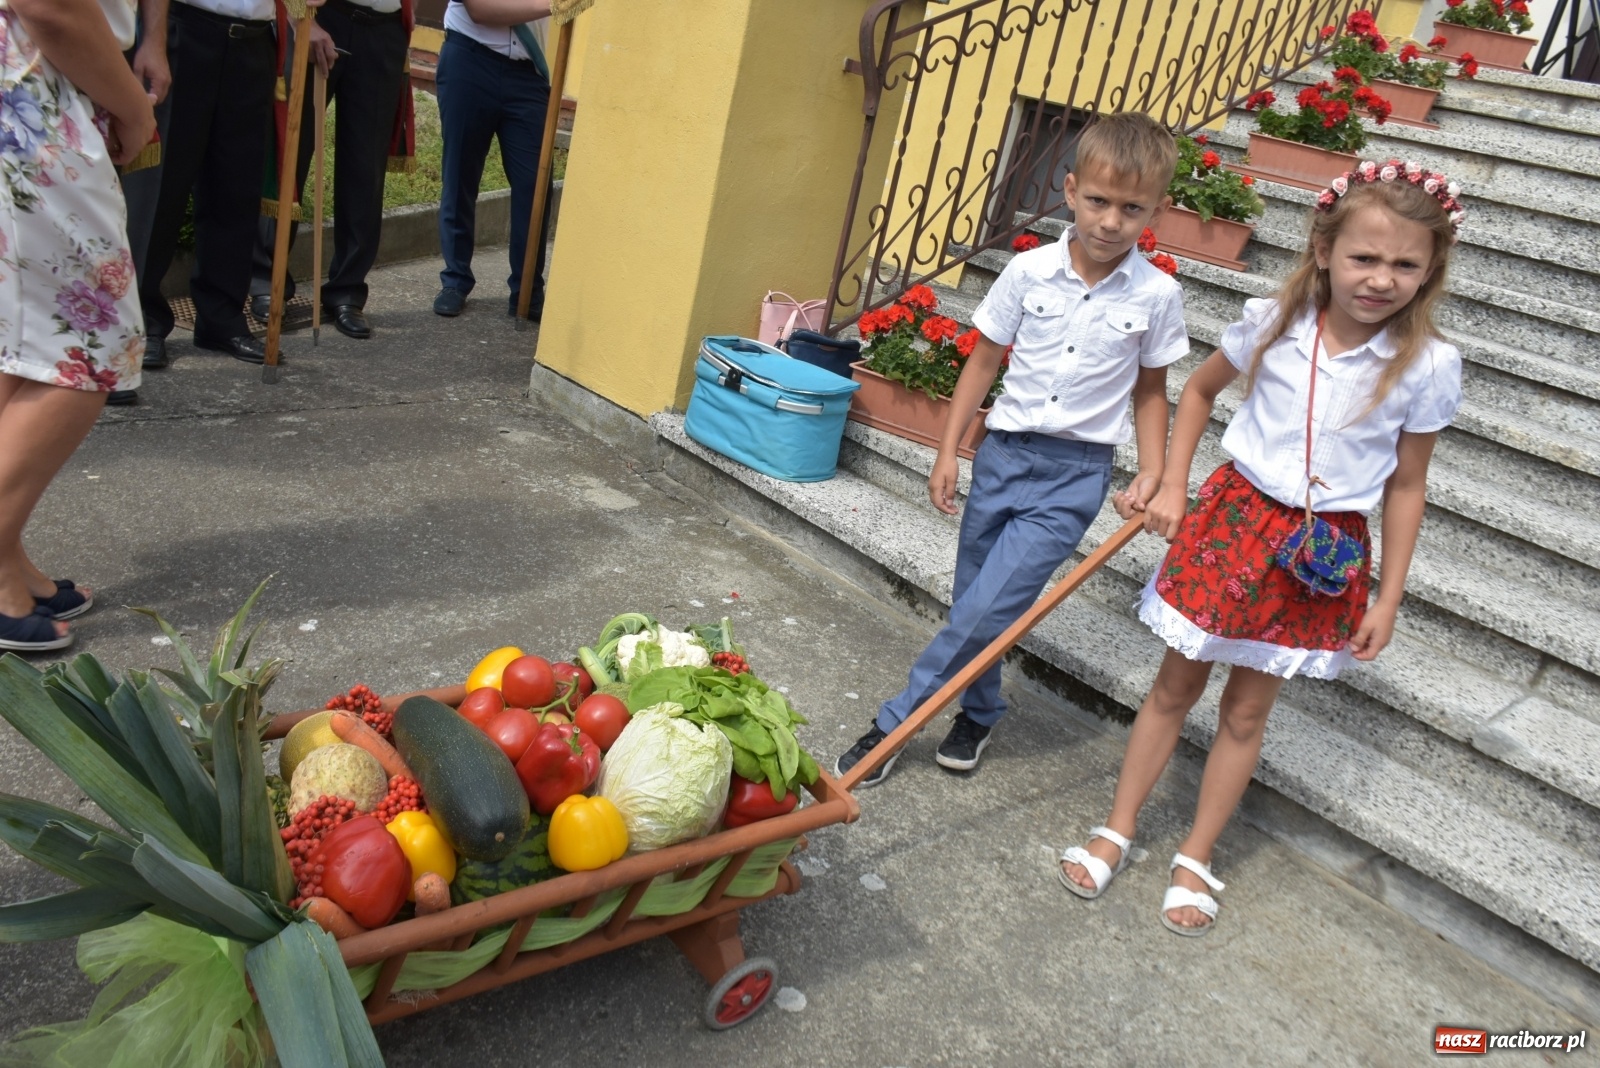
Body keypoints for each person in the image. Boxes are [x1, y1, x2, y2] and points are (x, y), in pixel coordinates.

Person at [1057, 160, 1466, 937]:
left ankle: (1197, 853)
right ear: (1324, 251)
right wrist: (1173, 483)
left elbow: (1407, 485)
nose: (1381, 278)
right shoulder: (1273, 321)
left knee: (1247, 712)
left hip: (1324, 547)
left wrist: (1390, 595)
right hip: (1236, 522)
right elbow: (1202, 389)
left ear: (1430, 270)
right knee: (1174, 688)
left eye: (1405, 264)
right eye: (1365, 258)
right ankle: (1118, 824)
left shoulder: (1429, 365)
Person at [835, 112, 1189, 787]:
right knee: (980, 603)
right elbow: (982, 361)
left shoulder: (1157, 294)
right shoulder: (1028, 272)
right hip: (1000, 458)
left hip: (1072, 477)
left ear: (1156, 210)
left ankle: (892, 726)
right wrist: (948, 451)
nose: (1111, 221)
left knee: (984, 607)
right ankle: (982, 707)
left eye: (1132, 208)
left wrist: (1154, 470)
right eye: (1098, 201)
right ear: (1071, 187)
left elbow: (1151, 391)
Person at [0, 0, 155, 649]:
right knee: (92, 349)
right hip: (35, 92)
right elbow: (51, 5)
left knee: (21, 342)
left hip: (29, 83)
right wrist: (135, 107)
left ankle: (5, 554)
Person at [247, 0, 412, 340]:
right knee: (290, 154)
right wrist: (300, 22)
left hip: (385, 26)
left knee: (367, 170)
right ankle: (266, 280)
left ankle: (347, 291)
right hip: (323, 16)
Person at [136, 0, 283, 366]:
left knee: (236, 186)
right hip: (186, 28)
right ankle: (143, 322)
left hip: (255, 38)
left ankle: (222, 317)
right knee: (162, 184)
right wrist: (152, 41)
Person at [431, 0, 553, 320]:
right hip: (470, 60)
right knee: (460, 174)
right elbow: (480, 9)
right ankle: (455, 280)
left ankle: (527, 289)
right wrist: (556, 5)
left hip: (528, 76)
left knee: (535, 184)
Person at [106, 0, 173, 406]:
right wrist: (132, 110)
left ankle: (104, 349)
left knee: (119, 219)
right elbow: (49, 10)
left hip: (121, 42)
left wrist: (153, 41)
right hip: (44, 65)